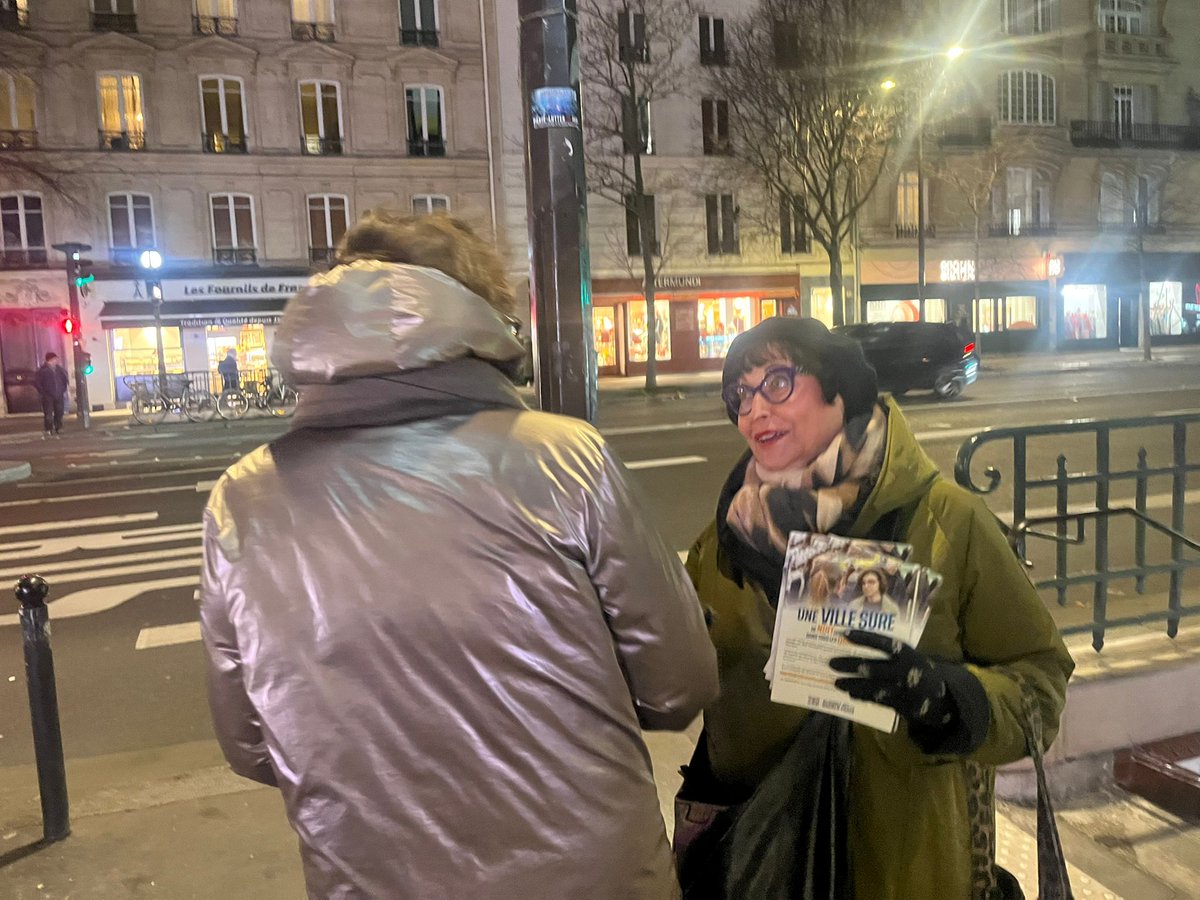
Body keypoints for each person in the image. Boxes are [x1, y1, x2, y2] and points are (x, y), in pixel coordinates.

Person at [200, 211, 719, 899]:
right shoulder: (566, 459)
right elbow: (677, 686)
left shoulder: (242, 501)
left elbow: (251, 745)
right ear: (476, 316)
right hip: (591, 875)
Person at [683, 317, 1074, 899]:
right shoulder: (722, 544)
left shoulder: (947, 524)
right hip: (761, 861)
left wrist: (946, 699)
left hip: (909, 869)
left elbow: (1039, 685)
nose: (753, 409)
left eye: (778, 382)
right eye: (739, 394)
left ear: (841, 390)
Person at [34, 352, 69, 438]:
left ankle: (58, 427)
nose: (56, 360)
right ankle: (49, 429)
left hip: (59, 394)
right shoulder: (42, 371)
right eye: (55, 359)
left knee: (59, 412)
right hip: (47, 395)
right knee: (48, 413)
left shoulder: (59, 370)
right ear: (50, 360)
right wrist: (43, 392)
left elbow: (64, 380)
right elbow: (37, 383)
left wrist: (63, 389)